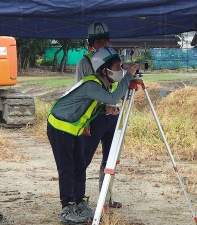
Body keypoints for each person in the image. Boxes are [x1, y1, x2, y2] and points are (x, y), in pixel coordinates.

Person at [47, 47, 139, 224]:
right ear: (104, 70)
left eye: (121, 67)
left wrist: (105, 108)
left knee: (80, 165)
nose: (120, 70)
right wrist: (128, 76)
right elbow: (113, 97)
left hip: (72, 128)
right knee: (67, 167)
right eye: (117, 67)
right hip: (59, 127)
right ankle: (67, 208)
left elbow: (90, 104)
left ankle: (80, 203)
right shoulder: (92, 84)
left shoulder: (101, 84)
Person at [75, 21, 122, 209]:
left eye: (106, 40)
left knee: (109, 159)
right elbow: (80, 94)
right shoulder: (84, 63)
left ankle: (106, 198)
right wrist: (84, 121)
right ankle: (78, 200)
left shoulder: (113, 59)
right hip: (93, 118)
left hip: (112, 115)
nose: (103, 44)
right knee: (83, 159)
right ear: (91, 44)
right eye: (99, 41)